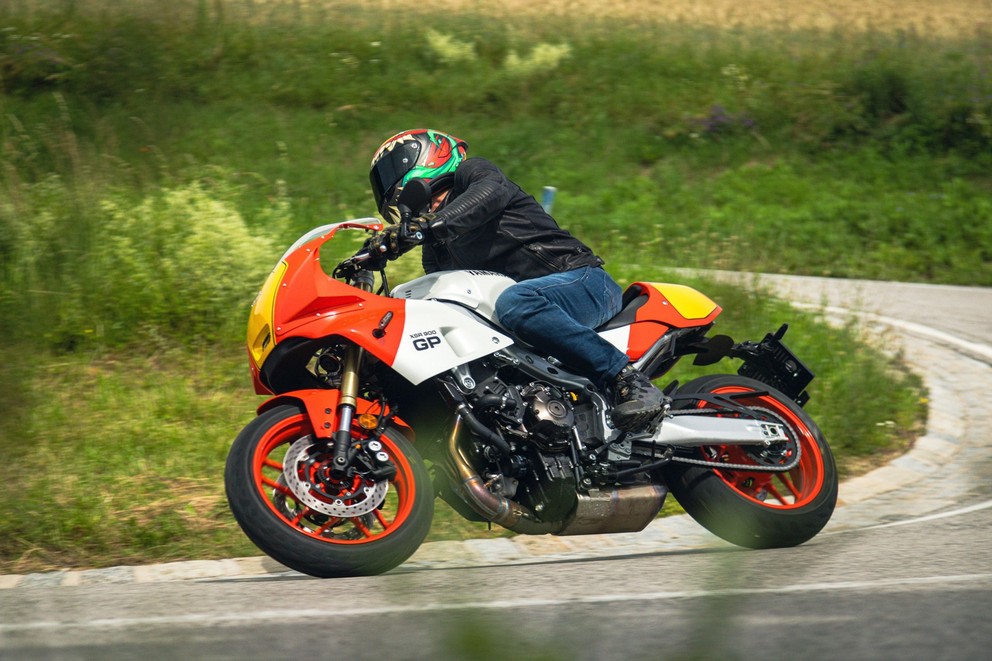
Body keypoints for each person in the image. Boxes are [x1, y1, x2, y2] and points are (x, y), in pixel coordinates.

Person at [368, 128, 665, 431]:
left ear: (429, 155)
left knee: (514, 301)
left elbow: (489, 193)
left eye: (394, 167)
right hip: (528, 317)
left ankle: (626, 379)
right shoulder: (437, 246)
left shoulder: (473, 175)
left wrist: (429, 226)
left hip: (582, 281)